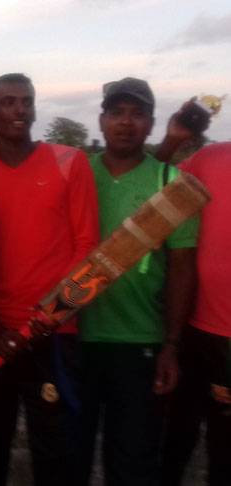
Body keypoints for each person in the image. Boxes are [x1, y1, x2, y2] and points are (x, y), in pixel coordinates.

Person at [0, 72, 100, 486]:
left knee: (55, 453)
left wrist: (47, 319)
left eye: (27, 101)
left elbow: (86, 250)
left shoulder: (69, 161)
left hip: (55, 334)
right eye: (9, 102)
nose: (21, 110)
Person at [74, 77, 198, 486]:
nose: (126, 123)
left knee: (131, 465)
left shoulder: (171, 183)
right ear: (102, 120)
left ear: (150, 123)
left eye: (137, 113)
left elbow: (182, 266)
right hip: (75, 341)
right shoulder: (75, 175)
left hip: (140, 345)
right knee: (68, 459)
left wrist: (171, 346)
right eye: (117, 113)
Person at [159, 130, 231, 485]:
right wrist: (173, 139)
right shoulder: (210, 157)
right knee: (174, 437)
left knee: (225, 451)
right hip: (191, 328)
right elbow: (153, 180)